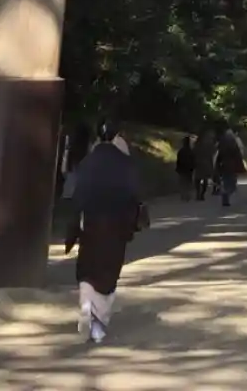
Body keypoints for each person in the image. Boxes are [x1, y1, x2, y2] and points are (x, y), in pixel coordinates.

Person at [65, 125, 148, 345]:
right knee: (109, 273)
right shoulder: (126, 164)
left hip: (91, 223)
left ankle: (86, 304)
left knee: (88, 268)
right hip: (116, 226)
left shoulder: (89, 162)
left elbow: (78, 195)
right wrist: (134, 223)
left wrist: (73, 227)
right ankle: (98, 322)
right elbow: (135, 195)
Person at [215, 125, 246, 207]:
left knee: (226, 181)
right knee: (232, 182)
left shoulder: (222, 143)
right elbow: (238, 155)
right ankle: (227, 193)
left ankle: (225, 193)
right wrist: (240, 167)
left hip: (224, 165)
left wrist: (217, 165)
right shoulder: (233, 143)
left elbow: (219, 155)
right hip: (232, 166)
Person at [192, 125, 217, 201]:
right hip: (206, 162)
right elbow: (213, 152)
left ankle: (198, 193)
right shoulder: (210, 143)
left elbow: (194, 152)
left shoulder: (198, 143)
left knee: (197, 179)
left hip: (198, 162)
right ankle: (202, 194)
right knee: (205, 179)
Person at [175, 133, 196, 202]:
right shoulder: (190, 151)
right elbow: (193, 160)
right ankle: (187, 195)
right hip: (189, 168)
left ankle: (183, 194)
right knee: (188, 182)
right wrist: (193, 166)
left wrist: (177, 168)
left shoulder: (181, 151)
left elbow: (178, 160)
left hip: (182, 168)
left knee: (183, 181)